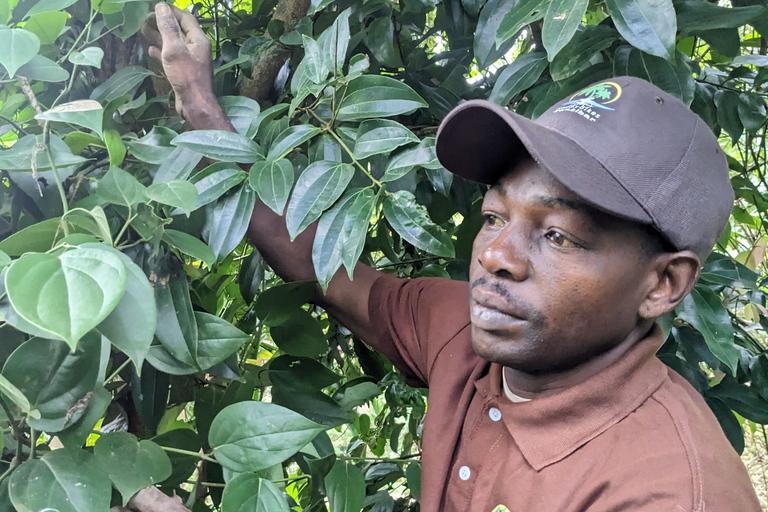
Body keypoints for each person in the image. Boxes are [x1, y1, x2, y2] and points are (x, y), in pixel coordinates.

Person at [144, 4, 762, 511]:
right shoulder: (464, 335)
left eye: (557, 236)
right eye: (494, 216)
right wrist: (202, 113)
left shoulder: (669, 494)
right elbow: (324, 270)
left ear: (663, 284)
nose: (495, 254)